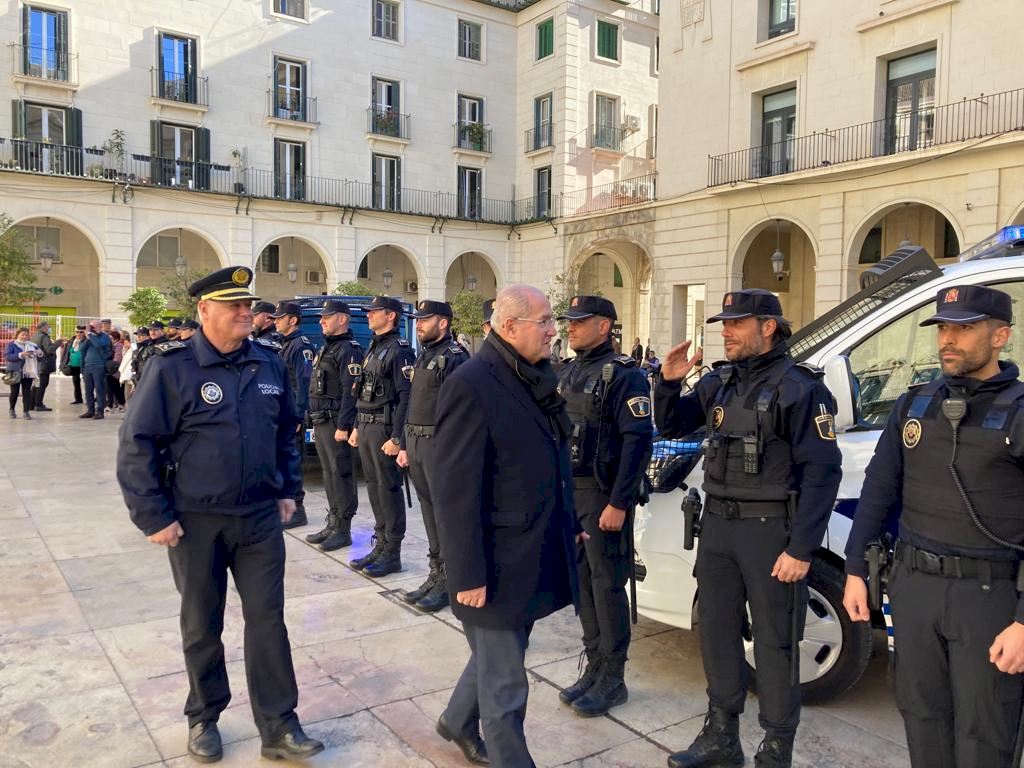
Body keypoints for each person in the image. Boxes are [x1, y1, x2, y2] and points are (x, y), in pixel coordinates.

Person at [116, 266, 324, 764]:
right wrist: (153, 515)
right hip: (196, 521)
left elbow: (287, 430)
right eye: (234, 306)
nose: (245, 313)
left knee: (268, 619)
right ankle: (203, 717)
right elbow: (137, 443)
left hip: (258, 519)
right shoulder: (172, 367)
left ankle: (279, 724)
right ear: (204, 310)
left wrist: (288, 489)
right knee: (201, 623)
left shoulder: (268, 362)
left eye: (247, 305)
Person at [654, 289, 842, 768]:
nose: (727, 331)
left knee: (775, 641)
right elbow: (673, 425)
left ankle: (777, 746)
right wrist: (668, 383)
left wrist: (801, 549)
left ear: (768, 327)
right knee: (716, 631)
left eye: (737, 323)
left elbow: (823, 474)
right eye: (725, 323)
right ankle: (722, 735)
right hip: (718, 526)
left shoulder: (801, 388)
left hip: (770, 532)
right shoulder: (720, 382)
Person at [843, 285, 1024, 768]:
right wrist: (855, 568)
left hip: (988, 597)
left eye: (964, 328)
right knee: (921, 716)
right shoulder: (915, 405)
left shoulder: (1019, 411)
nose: (948, 339)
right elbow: (879, 488)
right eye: (943, 328)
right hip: (915, 588)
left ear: (1000, 336)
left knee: (985, 731)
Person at [432, 284, 579, 768]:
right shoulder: (472, 384)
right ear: (510, 326)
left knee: (497, 657)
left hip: (529, 554)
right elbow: (455, 492)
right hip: (493, 566)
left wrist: (569, 524)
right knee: (506, 686)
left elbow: (547, 463)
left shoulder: (531, 375)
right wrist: (467, 574)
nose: (554, 330)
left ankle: (457, 720)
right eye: (545, 321)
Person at [556, 296, 653, 717]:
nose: (571, 327)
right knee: (582, 583)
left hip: (601, 495)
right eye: (570, 321)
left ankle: (613, 678)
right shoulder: (569, 371)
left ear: (604, 326)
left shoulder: (624, 375)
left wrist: (619, 501)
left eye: (580, 322)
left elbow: (637, 442)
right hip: (570, 492)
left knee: (607, 585)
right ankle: (594, 665)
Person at [397, 300, 470, 613]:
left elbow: (463, 411)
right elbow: (412, 403)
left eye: (424, 320)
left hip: (439, 446)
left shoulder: (456, 357)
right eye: (417, 320)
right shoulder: (424, 355)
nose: (418, 325)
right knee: (428, 514)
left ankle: (451, 580)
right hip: (416, 443)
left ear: (443, 322)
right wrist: (403, 444)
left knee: (445, 518)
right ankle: (435, 574)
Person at [348, 296, 415, 577]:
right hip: (366, 426)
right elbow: (362, 391)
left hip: (384, 429)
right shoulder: (374, 347)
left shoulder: (400, 350)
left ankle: (392, 552)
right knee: (374, 489)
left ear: (391, 316)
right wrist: (355, 426)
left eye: (374, 312)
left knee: (388, 490)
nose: (369, 316)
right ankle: (381, 544)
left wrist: (397, 437)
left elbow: (406, 397)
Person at [304, 300, 362, 552]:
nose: (321, 321)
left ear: (342, 319)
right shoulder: (326, 348)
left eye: (326, 317)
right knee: (328, 473)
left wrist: (344, 425)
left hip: (336, 421)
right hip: (321, 421)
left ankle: (343, 528)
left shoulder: (349, 350)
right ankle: (333, 521)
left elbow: (351, 392)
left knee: (341, 473)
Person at [272, 301, 314, 529]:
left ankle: (298, 510)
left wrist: (297, 416)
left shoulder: (301, 346)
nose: (276, 321)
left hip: (291, 415)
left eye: (280, 318)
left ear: (293, 320)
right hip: (280, 412)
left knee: (292, 461)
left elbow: (304, 382)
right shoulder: (284, 344)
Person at [6, 327, 42, 419]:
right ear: (17, 335)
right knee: (14, 392)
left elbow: (40, 357)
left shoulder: (32, 345)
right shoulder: (12, 344)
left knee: (26, 392)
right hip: (14, 371)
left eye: (26, 335)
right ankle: (12, 409)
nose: (25, 337)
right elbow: (8, 357)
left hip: (28, 372)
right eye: (22, 335)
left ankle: (26, 412)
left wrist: (39, 353)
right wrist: (21, 354)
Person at [80, 320, 113, 419]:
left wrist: (90, 335)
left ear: (99, 327)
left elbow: (98, 345)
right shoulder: (90, 337)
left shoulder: (104, 337)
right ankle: (90, 410)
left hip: (99, 366)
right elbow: (82, 349)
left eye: (92, 327)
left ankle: (100, 412)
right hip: (87, 366)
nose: (91, 329)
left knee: (99, 389)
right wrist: (87, 338)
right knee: (88, 390)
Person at [29, 320, 59, 411]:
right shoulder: (44, 336)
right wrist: (58, 342)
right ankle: (39, 404)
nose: (49, 328)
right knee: (42, 384)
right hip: (44, 364)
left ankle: (31, 404)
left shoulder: (34, 335)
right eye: (48, 327)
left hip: (37, 363)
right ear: (44, 327)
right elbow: (49, 350)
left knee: (36, 385)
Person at [63, 326, 85, 404]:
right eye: (77, 332)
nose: (78, 334)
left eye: (81, 332)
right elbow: (68, 352)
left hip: (84, 365)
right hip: (74, 365)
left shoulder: (86, 341)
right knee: (76, 382)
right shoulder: (72, 340)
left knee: (88, 383)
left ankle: (91, 399)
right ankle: (78, 399)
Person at [105, 330, 126, 412]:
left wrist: (110, 365)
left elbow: (117, 359)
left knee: (116, 389)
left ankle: (120, 404)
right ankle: (110, 405)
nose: (109, 340)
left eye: (111, 338)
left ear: (116, 339)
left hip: (115, 372)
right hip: (110, 371)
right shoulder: (111, 346)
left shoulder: (119, 346)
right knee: (110, 388)